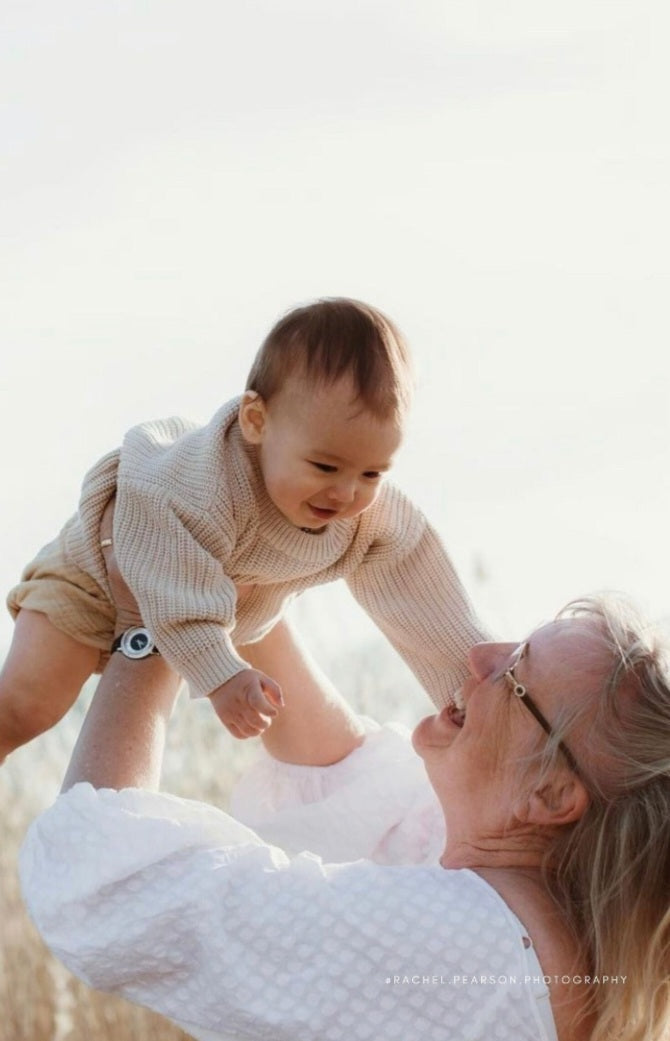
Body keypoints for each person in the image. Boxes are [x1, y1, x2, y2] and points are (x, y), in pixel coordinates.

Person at [19, 532, 670, 1040]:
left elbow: (98, 883)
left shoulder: (467, 951)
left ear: (553, 797)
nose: (479, 656)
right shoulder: (545, 921)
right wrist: (236, 562)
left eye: (517, 670)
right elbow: (347, 777)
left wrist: (154, 620)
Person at [0, 297, 484, 764]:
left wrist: (475, 680)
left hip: (217, 606)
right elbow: (174, 582)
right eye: (324, 465)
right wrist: (222, 675)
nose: (345, 493)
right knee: (26, 708)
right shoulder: (200, 486)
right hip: (91, 584)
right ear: (256, 421)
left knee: (312, 736)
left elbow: (418, 582)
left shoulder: (362, 515)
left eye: (372, 474)